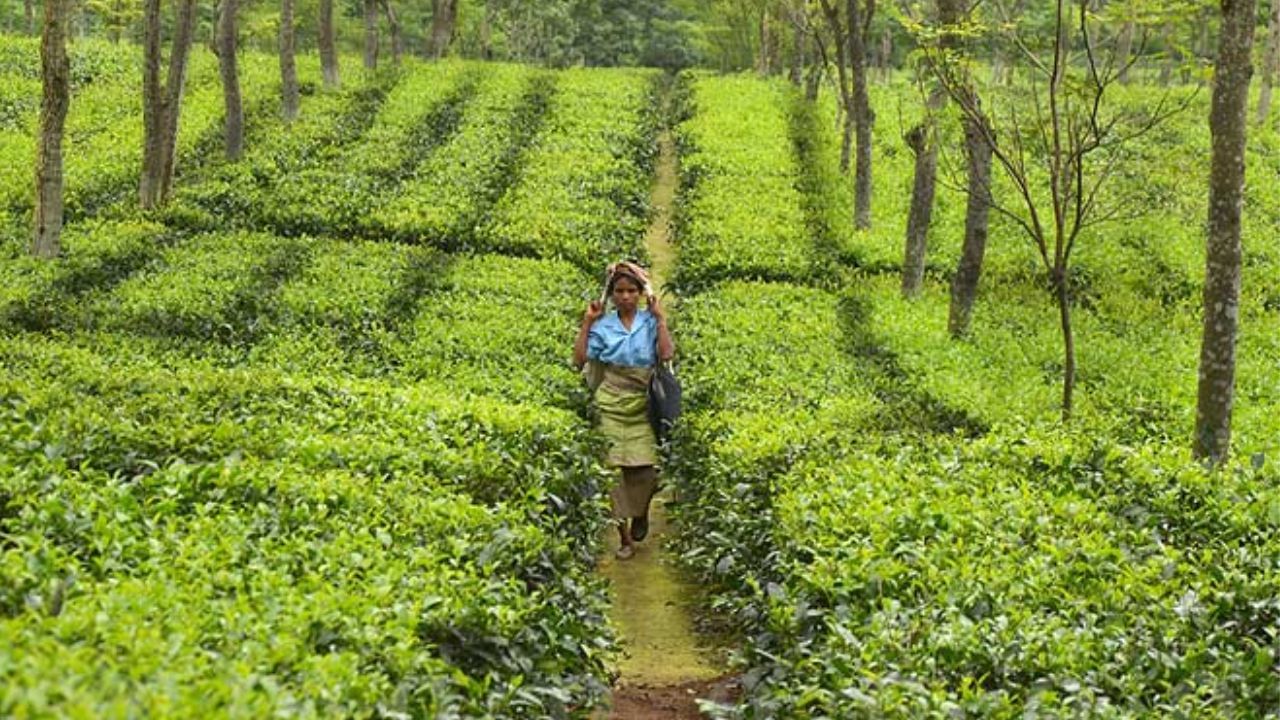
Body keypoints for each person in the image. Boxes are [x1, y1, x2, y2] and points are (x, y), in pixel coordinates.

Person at [573, 261, 675, 560]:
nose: (626, 296)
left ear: (641, 294)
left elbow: (667, 354)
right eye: (620, 291)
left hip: (642, 404)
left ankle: (641, 512)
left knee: (648, 470)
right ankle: (625, 539)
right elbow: (580, 361)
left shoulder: (649, 322)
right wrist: (587, 322)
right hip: (610, 403)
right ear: (613, 294)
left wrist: (661, 320)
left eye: (632, 290)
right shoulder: (603, 325)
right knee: (612, 474)